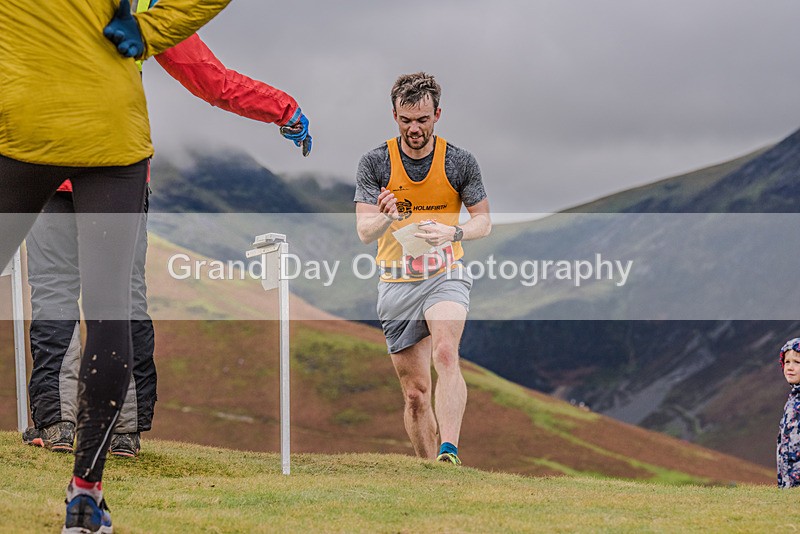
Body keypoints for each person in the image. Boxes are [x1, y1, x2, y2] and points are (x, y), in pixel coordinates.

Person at [22, 0, 312, 460]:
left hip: (41, 162)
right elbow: (210, 78)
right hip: (116, 164)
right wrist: (284, 109)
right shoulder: (142, 7)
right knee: (121, 296)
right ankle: (122, 430)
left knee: (53, 292)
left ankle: (57, 424)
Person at [0, 1, 239, 532]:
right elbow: (211, 70)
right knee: (113, 308)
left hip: (22, 130)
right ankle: (86, 495)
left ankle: (66, 441)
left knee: (68, 300)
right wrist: (147, 27)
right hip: (112, 136)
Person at [354, 72, 491, 466]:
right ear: (394, 115)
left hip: (445, 272)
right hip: (396, 282)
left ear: (437, 115)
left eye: (423, 120)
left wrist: (454, 232)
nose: (414, 129)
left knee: (446, 353)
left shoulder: (460, 161)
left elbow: (484, 221)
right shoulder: (376, 162)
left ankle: (449, 451)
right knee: (415, 393)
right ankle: (430, 470)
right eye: (406, 120)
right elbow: (364, 232)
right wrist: (385, 217)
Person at [778, 338, 800, 488]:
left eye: (797, 362)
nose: (790, 367)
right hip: (789, 479)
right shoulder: (793, 398)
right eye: (787, 362)